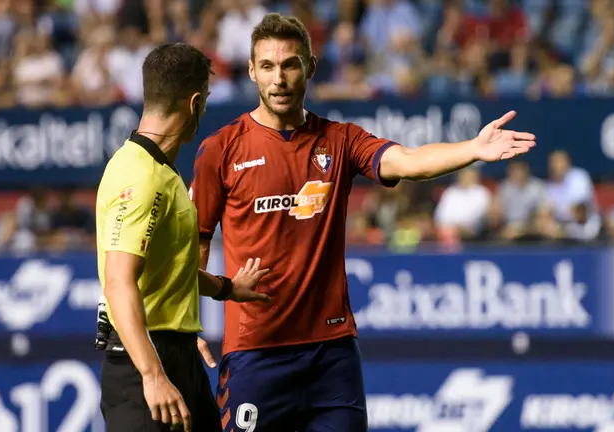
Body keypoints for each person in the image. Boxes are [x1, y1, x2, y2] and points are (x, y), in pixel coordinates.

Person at [192, 14, 536, 432]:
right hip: (255, 353)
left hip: (332, 354)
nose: (278, 79)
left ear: (310, 67)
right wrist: (188, 324)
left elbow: (407, 160)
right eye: (267, 66)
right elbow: (196, 243)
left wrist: (473, 149)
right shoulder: (221, 149)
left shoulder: (340, 140)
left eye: (290, 65)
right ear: (251, 71)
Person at [95, 43, 270, 432]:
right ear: (195, 103)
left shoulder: (164, 172)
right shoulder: (140, 177)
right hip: (144, 364)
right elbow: (118, 281)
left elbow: (171, 269)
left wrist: (227, 288)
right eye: (205, 99)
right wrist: (152, 374)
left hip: (178, 355)